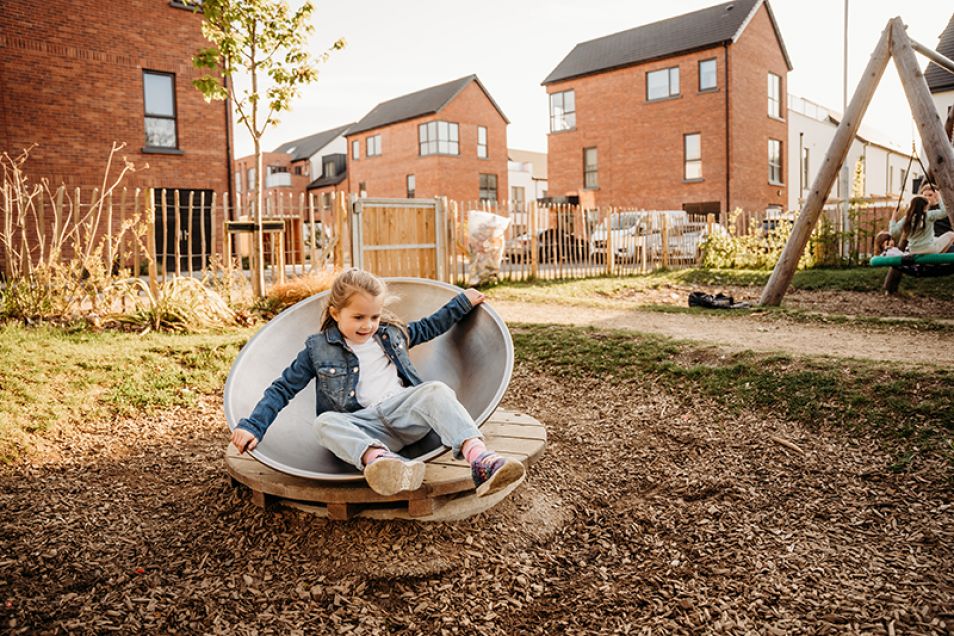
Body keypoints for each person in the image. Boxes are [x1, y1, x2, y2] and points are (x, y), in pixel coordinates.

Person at [230, 269, 526, 498]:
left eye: (374, 316)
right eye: (358, 317)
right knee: (324, 424)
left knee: (434, 390)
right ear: (335, 313)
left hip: (404, 415)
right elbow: (283, 388)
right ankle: (383, 462)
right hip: (364, 428)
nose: (368, 325)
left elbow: (432, 325)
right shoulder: (317, 349)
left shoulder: (390, 333)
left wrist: (462, 303)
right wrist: (253, 425)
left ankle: (481, 460)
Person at [889, 194, 954, 255]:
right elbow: (945, 212)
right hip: (929, 249)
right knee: (951, 234)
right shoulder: (928, 215)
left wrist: (893, 218)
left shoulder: (906, 218)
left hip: (913, 250)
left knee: (935, 238)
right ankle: (937, 260)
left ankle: (931, 262)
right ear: (925, 206)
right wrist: (939, 198)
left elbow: (893, 231)